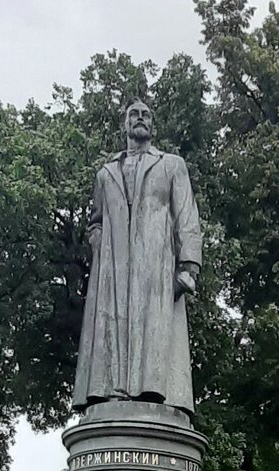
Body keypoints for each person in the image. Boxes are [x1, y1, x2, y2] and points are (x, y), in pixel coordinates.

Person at [72, 99, 201, 415]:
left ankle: (150, 391)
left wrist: (188, 266)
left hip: (155, 263)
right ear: (124, 124)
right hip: (113, 269)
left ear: (152, 126)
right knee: (112, 330)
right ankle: (110, 391)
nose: (140, 119)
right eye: (134, 114)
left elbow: (187, 215)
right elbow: (96, 220)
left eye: (146, 115)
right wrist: (100, 244)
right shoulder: (105, 173)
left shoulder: (171, 164)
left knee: (152, 330)